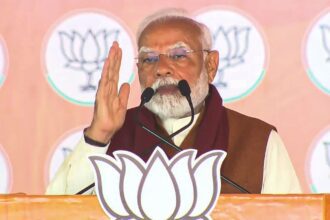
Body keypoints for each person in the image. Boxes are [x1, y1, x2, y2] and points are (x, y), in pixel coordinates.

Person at [46, 8, 301, 195]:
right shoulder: (113, 135)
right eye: (149, 59)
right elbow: (56, 211)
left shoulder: (257, 138)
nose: (162, 69)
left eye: (179, 56)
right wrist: (98, 135)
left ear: (210, 65)